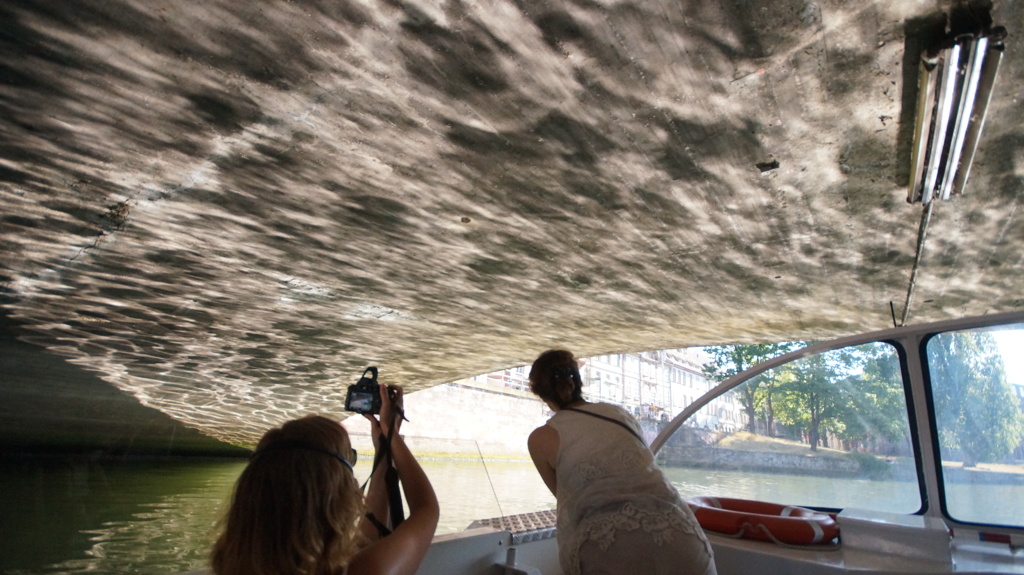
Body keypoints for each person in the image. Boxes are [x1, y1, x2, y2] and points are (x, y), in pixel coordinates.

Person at [211, 383, 439, 575]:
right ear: (334, 495)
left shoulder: (230, 566)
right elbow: (425, 509)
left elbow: (366, 542)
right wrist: (391, 434)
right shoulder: (362, 569)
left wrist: (383, 448)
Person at [527, 349, 717, 575]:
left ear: (541, 393)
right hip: (681, 535)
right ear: (578, 381)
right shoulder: (619, 414)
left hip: (610, 547)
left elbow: (567, 497)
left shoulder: (541, 438)